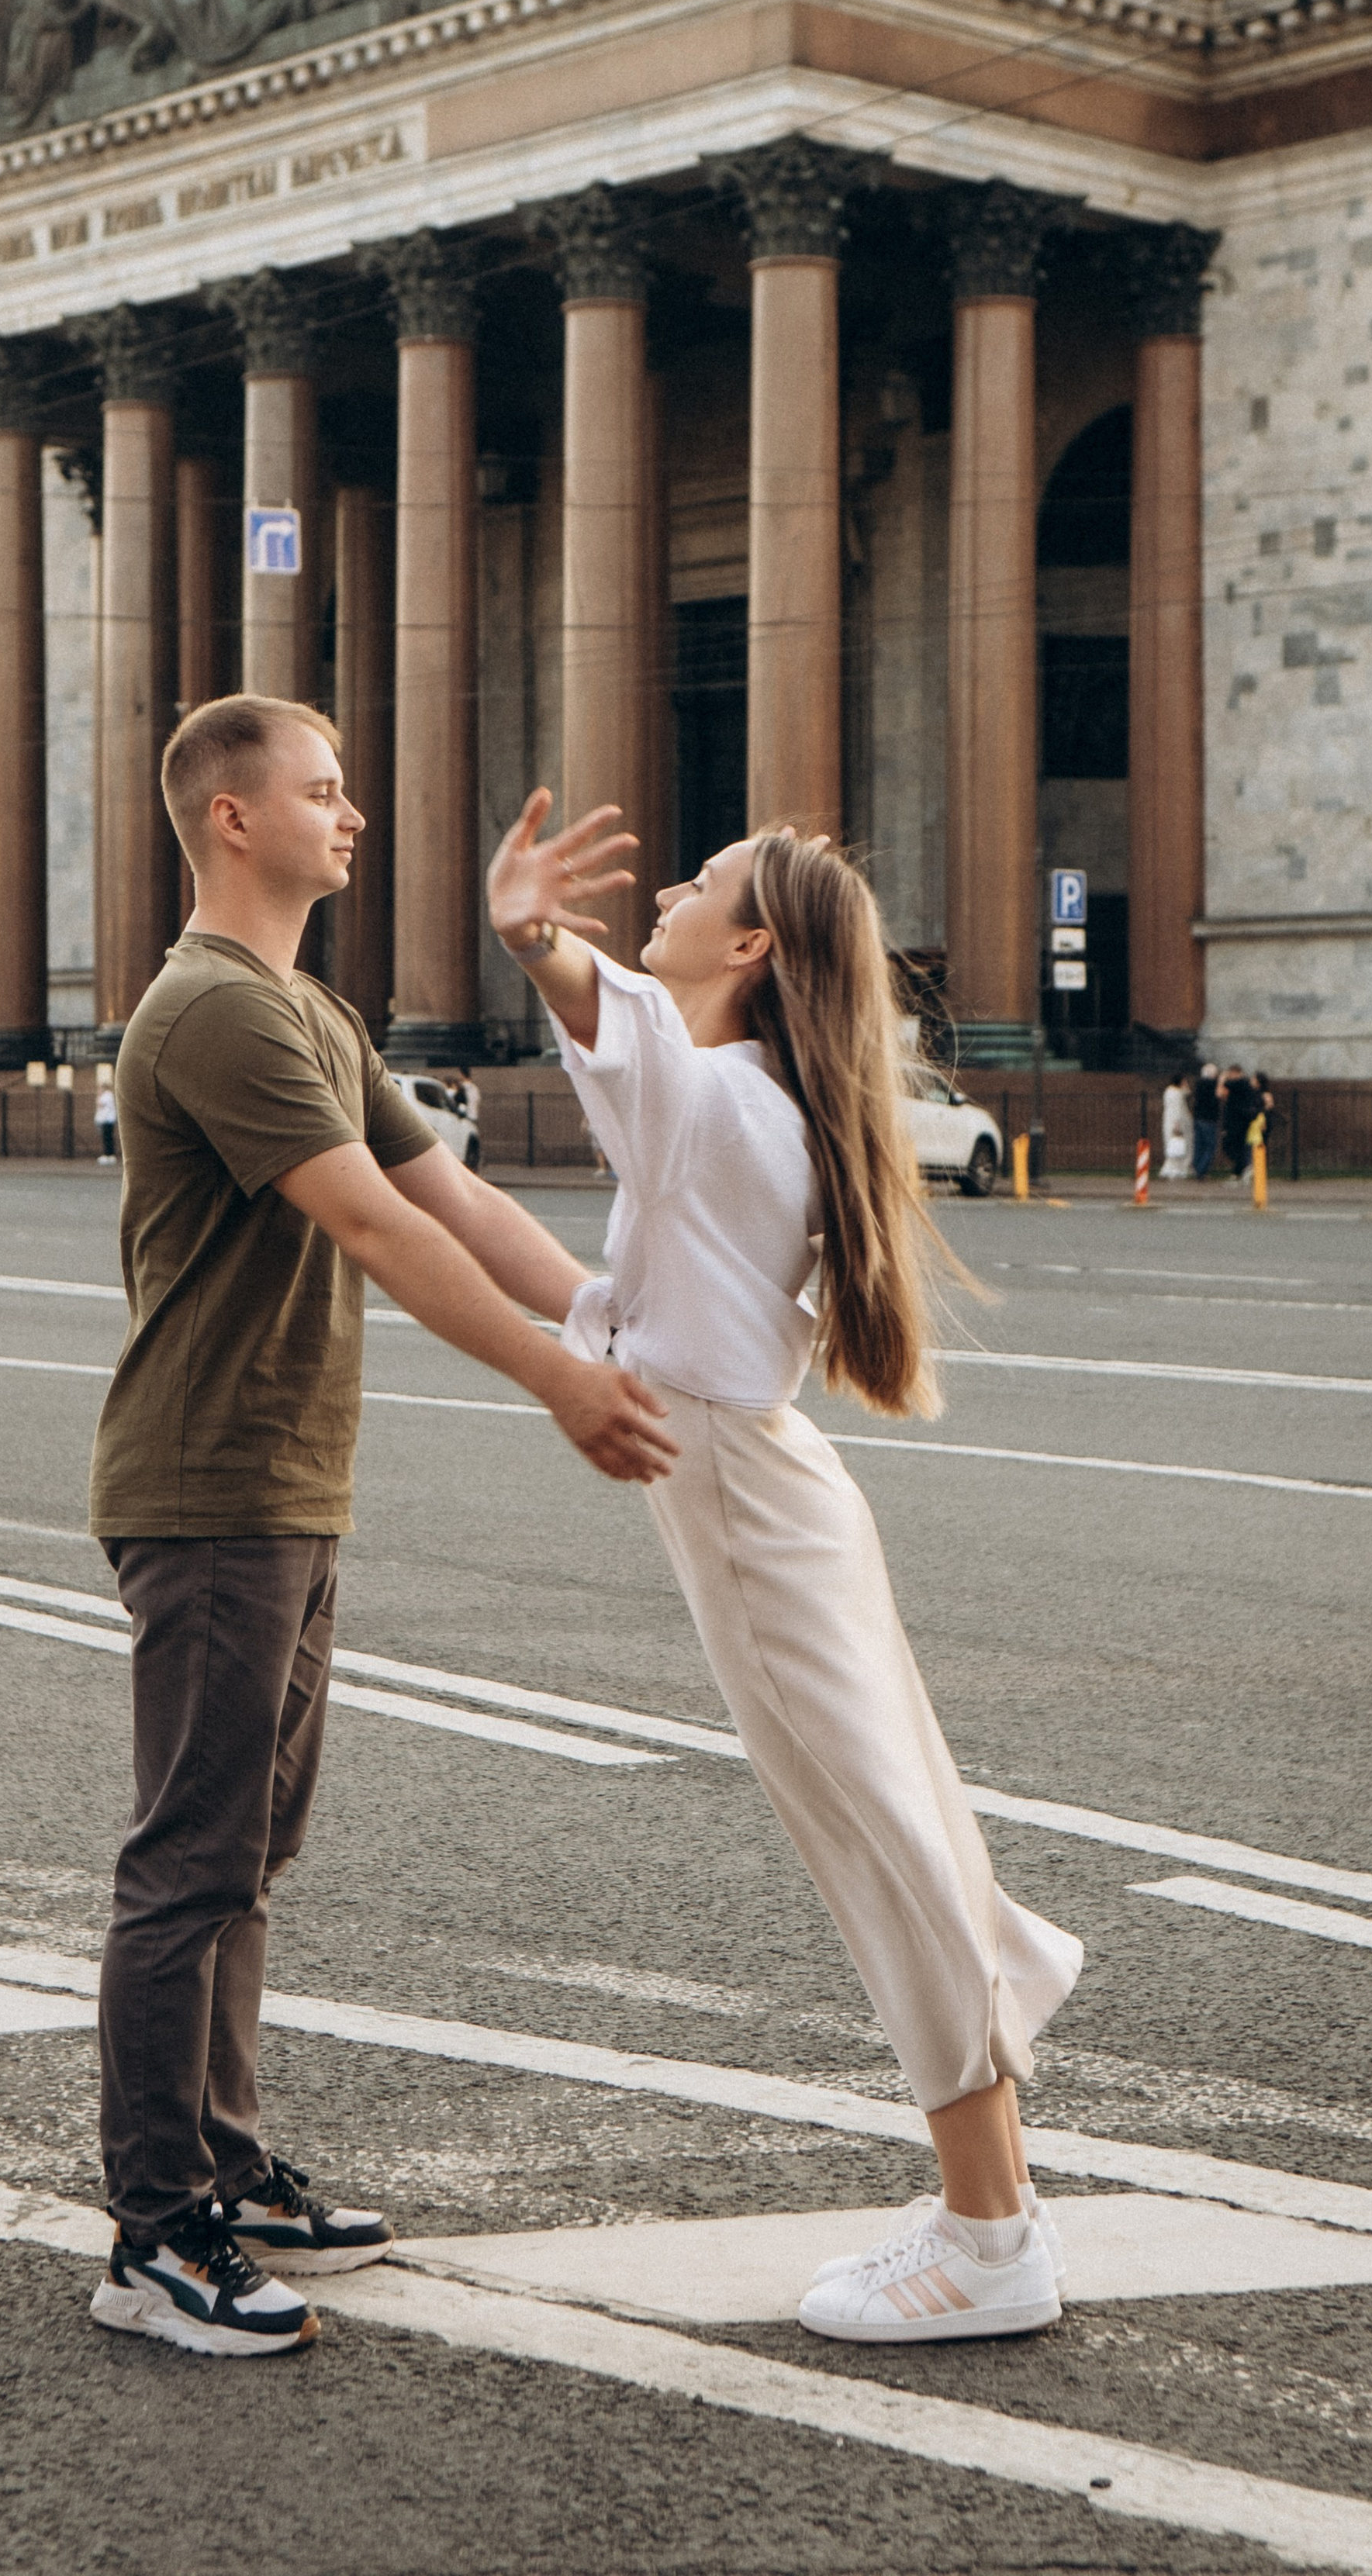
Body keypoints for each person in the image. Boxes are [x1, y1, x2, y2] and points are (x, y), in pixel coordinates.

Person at [86, 698, 674, 2362]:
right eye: (323, 792)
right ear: (229, 819)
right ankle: (151, 2228)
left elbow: (459, 1204)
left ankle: (223, 2158)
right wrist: (560, 1383)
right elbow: (365, 1227)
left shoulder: (311, 1011)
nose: (353, 817)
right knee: (186, 1858)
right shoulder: (212, 1010)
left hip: (282, 1481)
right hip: (208, 1484)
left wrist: (626, 1321)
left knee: (248, 1854)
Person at [486, 792, 1082, 2346]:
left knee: (879, 1845)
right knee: (903, 1832)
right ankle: (990, 2208)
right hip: (766, 1492)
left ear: (745, 948)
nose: (670, 892)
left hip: (749, 1506)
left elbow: (609, 1032)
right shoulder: (741, 1099)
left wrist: (532, 933)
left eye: (699, 884)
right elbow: (622, 1282)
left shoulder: (718, 1099)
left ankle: (987, 2233)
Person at [1220, 1061, 1258, 1181]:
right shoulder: (1243, 1084)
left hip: (1239, 1120)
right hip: (1237, 1119)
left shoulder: (1242, 1082)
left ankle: (1240, 1169)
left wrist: (1222, 1077)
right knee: (1236, 1145)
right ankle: (1239, 1170)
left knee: (1233, 1145)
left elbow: (1225, 1086)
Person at [1191, 1061, 1221, 1180]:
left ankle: (1197, 1167)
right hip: (1208, 1119)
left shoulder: (1199, 1084)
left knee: (1199, 1145)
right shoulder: (1212, 1084)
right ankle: (1201, 1170)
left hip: (1198, 1117)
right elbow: (1217, 1095)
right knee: (1210, 1146)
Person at [1159, 1070, 1191, 1179]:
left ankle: (1169, 1168)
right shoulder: (1177, 1093)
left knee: (1170, 1145)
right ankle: (1176, 1169)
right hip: (1177, 1122)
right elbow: (1177, 1109)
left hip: (1168, 1120)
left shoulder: (1168, 1091)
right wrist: (1177, 1125)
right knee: (1179, 1147)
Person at [93, 1071, 117, 1165]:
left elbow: (100, 1104)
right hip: (107, 1119)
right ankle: (108, 1154)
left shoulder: (107, 1095)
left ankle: (109, 1154)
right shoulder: (108, 1095)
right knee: (107, 1138)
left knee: (107, 1138)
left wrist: (98, 1095)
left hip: (108, 1119)